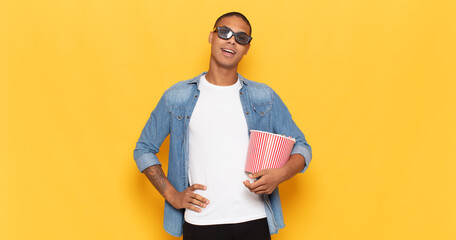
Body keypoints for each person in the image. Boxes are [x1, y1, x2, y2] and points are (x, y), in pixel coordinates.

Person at [134, 12, 312, 240]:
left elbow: (302, 147)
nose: (231, 41)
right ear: (211, 37)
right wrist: (172, 195)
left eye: (241, 37)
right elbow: (144, 148)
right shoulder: (178, 97)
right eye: (224, 32)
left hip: (254, 220)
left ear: (247, 48)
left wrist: (282, 174)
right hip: (201, 222)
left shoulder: (263, 97)